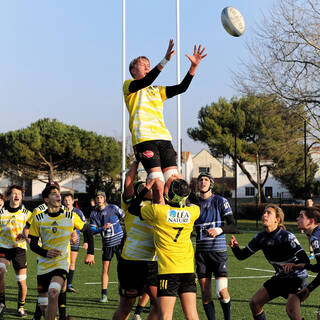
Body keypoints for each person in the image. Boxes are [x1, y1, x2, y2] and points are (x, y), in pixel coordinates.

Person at [123, 40, 207, 204]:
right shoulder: (129, 86)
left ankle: (176, 217)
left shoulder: (157, 90)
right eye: (143, 65)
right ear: (133, 70)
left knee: (175, 183)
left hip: (164, 138)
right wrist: (165, 60)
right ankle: (158, 220)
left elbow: (181, 88)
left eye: (149, 65)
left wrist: (194, 67)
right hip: (145, 139)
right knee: (158, 184)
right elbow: (145, 81)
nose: (148, 67)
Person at [129, 177, 201, 320]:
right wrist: (183, 184)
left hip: (168, 271)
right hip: (187, 270)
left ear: (169, 195)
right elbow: (196, 202)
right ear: (186, 195)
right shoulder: (193, 212)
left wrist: (146, 188)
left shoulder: (159, 211)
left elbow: (133, 208)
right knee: (192, 315)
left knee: (166, 316)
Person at [229, 204, 309, 320]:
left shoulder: (287, 236)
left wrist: (293, 265)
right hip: (280, 278)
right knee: (255, 303)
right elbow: (242, 256)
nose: (264, 215)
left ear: (277, 220)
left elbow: (305, 260)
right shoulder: (260, 238)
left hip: (297, 279)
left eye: (268, 213)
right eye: (264, 213)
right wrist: (235, 248)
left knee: (291, 310)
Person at [28, 183, 95, 320]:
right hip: (43, 265)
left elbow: (87, 230)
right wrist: (45, 253)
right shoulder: (39, 219)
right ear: (46, 199)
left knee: (53, 292)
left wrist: (91, 253)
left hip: (61, 263)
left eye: (59, 193)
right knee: (44, 306)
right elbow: (33, 245)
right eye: (54, 193)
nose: (58, 195)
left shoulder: (70, 216)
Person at [112, 161, 158, 320]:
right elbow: (128, 183)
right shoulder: (131, 205)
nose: (148, 186)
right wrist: (136, 161)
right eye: (143, 186)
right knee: (126, 306)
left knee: (159, 305)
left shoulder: (158, 206)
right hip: (131, 262)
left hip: (152, 262)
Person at [193, 173, 236, 320]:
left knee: (222, 292)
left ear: (211, 183)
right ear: (197, 184)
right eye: (200, 180)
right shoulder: (193, 204)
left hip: (218, 253)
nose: (203, 182)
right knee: (205, 294)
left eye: (206, 180)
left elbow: (232, 224)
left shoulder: (220, 201)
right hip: (201, 255)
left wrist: (219, 230)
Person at [0, 185, 31, 319]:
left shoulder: (27, 214)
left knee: (21, 282)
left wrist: (26, 235)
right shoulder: (1, 213)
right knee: (0, 270)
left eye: (19, 194)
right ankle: (1, 304)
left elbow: (33, 232)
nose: (17, 196)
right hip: (3, 248)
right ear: (9, 196)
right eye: (14, 193)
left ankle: (21, 307)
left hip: (19, 250)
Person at [283, 206, 320, 317]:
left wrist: (304, 265)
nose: (297, 219)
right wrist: (309, 288)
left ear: (311, 221)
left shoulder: (316, 237)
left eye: (301, 216)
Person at [90, 190, 124, 303]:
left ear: (104, 198)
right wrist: (102, 228)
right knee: (105, 269)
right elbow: (92, 231)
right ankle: (104, 295)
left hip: (119, 243)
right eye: (97, 197)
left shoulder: (113, 208)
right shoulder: (94, 213)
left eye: (101, 197)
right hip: (107, 244)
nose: (99, 199)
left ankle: (122, 295)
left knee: (122, 269)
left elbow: (125, 216)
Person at [63, 193, 87, 293]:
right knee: (64, 263)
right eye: (65, 200)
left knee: (72, 263)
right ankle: (62, 284)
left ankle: (69, 285)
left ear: (73, 201)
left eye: (69, 200)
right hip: (63, 242)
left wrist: (86, 241)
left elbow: (86, 228)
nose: (67, 202)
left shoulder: (78, 212)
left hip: (74, 242)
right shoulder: (61, 212)